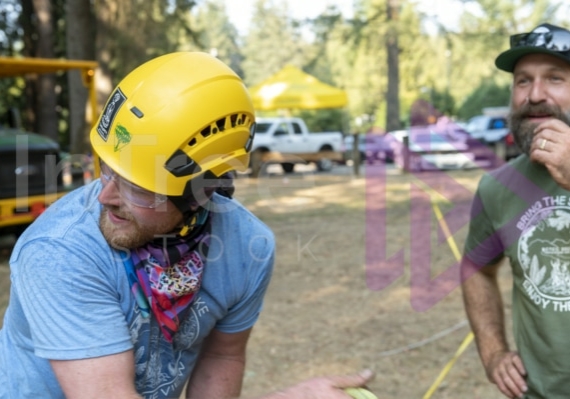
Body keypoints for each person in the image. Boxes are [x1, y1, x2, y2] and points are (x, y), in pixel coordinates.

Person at [0, 52, 373, 399]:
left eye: (136, 188)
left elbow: (221, 358)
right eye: (107, 168)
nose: (105, 196)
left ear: (200, 191)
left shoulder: (247, 247)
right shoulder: (57, 253)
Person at [461, 23, 570, 399]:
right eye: (523, 81)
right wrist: (493, 353)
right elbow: (477, 268)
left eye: (555, 78)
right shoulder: (497, 187)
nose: (534, 95)